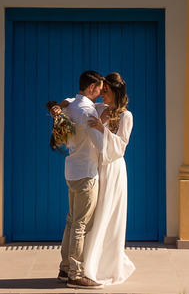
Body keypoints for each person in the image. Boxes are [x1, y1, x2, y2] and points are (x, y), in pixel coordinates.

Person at [51, 70, 106, 289]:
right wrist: (103, 125)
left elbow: (70, 100)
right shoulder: (86, 111)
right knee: (81, 224)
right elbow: (100, 144)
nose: (101, 93)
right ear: (91, 87)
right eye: (99, 89)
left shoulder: (72, 106)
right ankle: (76, 274)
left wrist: (61, 103)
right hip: (86, 173)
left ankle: (65, 268)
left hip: (72, 171)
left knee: (72, 221)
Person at [80, 72, 135, 285]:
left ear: (116, 92)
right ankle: (89, 264)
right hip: (98, 167)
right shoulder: (100, 108)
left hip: (113, 169)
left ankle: (104, 267)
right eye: (102, 91)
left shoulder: (126, 117)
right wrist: (61, 105)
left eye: (106, 91)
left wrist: (101, 129)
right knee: (95, 215)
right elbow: (79, 102)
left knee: (109, 216)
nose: (102, 94)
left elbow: (120, 146)